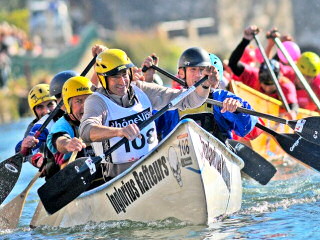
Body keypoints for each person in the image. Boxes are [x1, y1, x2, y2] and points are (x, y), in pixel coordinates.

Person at [79, 48, 216, 180]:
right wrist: (119, 131)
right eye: (115, 77)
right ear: (103, 79)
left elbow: (189, 100)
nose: (122, 82)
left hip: (155, 172)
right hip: (119, 177)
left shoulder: (142, 89)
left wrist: (204, 85)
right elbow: (86, 131)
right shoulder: (96, 101)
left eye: (125, 75)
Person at [142, 47, 258, 142]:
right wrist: (148, 83)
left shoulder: (220, 97)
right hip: (178, 164)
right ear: (182, 73)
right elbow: (150, 127)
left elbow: (246, 128)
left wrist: (237, 110)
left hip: (217, 164)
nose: (198, 75)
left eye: (202, 70)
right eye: (193, 69)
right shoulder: (172, 99)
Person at [228, 25, 299, 117]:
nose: (267, 89)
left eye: (271, 85)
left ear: (279, 79)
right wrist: (245, 40)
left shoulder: (286, 85)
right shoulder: (254, 75)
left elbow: (293, 105)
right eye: (264, 84)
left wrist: (292, 112)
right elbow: (233, 64)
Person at [46, 76, 94, 168]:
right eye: (79, 101)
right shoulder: (61, 125)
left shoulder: (101, 116)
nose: (85, 106)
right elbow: (59, 139)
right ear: (68, 105)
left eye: (88, 100)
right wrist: (67, 144)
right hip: (76, 175)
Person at [15, 84, 57, 161]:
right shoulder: (33, 127)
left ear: (57, 104)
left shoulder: (66, 117)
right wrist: (36, 160)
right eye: (40, 107)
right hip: (50, 163)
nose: (46, 111)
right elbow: (24, 156)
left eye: (50, 104)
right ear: (34, 111)